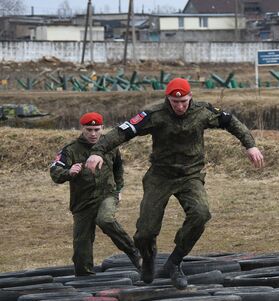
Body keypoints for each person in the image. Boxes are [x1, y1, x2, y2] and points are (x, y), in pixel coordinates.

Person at [84, 78, 264, 289]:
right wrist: (97, 152)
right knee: (145, 233)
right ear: (167, 99)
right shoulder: (154, 114)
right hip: (160, 177)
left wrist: (250, 146)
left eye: (184, 101)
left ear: (190, 98)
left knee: (201, 213)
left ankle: (175, 262)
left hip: (190, 175)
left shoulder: (202, 111)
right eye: (174, 102)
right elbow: (121, 132)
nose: (179, 106)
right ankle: (149, 259)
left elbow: (231, 122)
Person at [50, 112, 142, 276]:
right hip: (82, 203)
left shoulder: (110, 146)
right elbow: (55, 172)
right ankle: (84, 277)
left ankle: (134, 253)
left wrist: (119, 190)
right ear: (82, 129)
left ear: (102, 128)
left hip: (106, 195)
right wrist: (68, 172)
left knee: (105, 220)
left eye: (96, 129)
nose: (93, 134)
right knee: (81, 246)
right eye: (89, 129)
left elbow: (118, 169)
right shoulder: (70, 150)